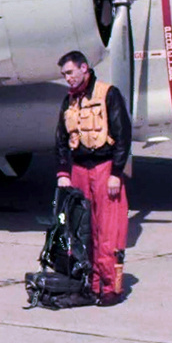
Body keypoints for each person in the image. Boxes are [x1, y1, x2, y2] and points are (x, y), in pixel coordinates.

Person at [54, 51, 131, 304]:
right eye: (64, 74)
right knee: (81, 231)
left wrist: (116, 174)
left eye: (69, 72)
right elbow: (61, 139)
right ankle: (89, 284)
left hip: (104, 169)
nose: (67, 78)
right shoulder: (69, 101)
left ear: (84, 68)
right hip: (78, 171)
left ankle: (110, 289)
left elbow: (122, 135)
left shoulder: (108, 94)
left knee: (108, 231)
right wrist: (64, 172)